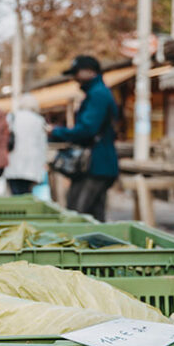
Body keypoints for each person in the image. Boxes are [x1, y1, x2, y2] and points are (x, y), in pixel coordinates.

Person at [49, 55, 119, 222]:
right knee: (94, 216)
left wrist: (57, 132)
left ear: (89, 72)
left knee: (76, 214)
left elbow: (87, 129)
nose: (75, 78)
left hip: (95, 165)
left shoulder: (98, 94)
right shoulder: (98, 92)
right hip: (100, 163)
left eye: (77, 73)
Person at [4, 94, 47, 195]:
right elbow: (42, 145)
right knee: (26, 194)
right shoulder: (39, 120)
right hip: (32, 164)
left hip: (13, 161)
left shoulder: (12, 117)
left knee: (15, 192)